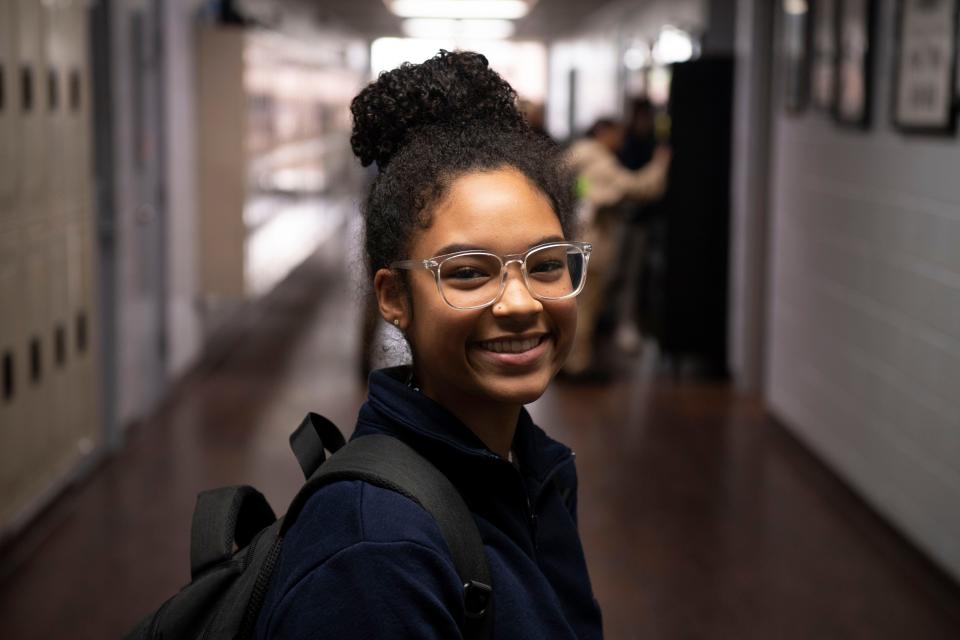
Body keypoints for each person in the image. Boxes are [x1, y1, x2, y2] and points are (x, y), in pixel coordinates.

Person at [255, 51, 603, 639]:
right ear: (393, 297)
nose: (520, 303)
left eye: (545, 265)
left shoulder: (530, 470)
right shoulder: (375, 553)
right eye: (468, 273)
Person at [563, 117, 670, 377]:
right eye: (617, 134)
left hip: (573, 240)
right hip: (592, 242)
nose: (621, 141)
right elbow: (640, 188)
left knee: (576, 302)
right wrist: (660, 164)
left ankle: (571, 362)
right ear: (604, 132)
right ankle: (576, 364)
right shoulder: (599, 163)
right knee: (585, 305)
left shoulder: (575, 156)